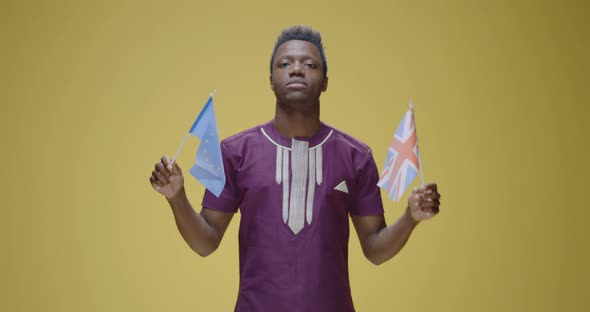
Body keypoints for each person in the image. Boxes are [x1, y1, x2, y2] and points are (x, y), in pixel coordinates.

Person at [149, 25, 441, 312]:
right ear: (271, 80)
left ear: (325, 81)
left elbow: (375, 249)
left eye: (310, 64)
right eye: (285, 63)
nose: (297, 69)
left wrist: (410, 217)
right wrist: (177, 197)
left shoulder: (356, 157)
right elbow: (206, 242)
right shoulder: (235, 153)